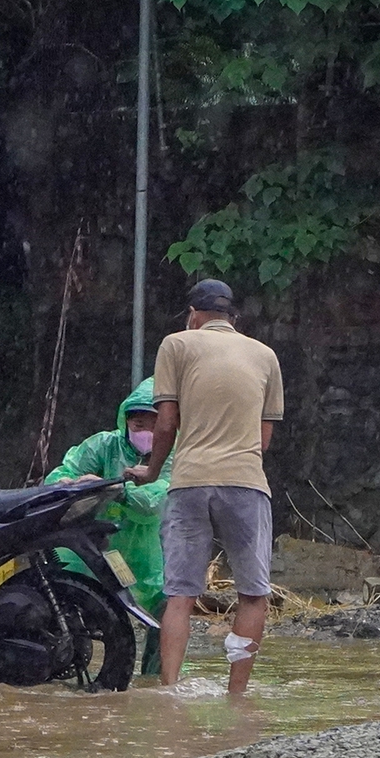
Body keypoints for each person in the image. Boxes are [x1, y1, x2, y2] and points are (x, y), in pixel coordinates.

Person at [132, 279, 284, 697]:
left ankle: (170, 692)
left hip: (190, 481)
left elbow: (165, 423)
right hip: (246, 482)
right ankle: (236, 696)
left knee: (180, 594)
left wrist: (151, 470)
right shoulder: (266, 355)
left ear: (193, 315)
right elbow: (264, 440)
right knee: (253, 594)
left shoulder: (177, 344)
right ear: (233, 319)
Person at [45, 379, 170, 674]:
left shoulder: (171, 455)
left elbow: (155, 502)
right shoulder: (103, 445)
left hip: (148, 555)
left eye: (153, 425)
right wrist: (68, 485)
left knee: (167, 613)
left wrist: (112, 490)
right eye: (138, 424)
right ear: (124, 420)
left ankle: (158, 678)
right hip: (93, 551)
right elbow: (62, 473)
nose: (144, 432)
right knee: (66, 603)